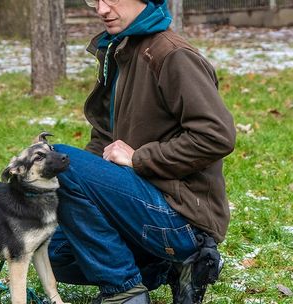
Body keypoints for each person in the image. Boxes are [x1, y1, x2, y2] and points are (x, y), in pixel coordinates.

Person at [47, 0, 236, 303]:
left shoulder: (173, 55)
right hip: (140, 206)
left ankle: (125, 291)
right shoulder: (123, 50)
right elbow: (104, 140)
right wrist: (70, 189)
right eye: (95, 0)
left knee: (57, 161)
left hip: (182, 215)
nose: (102, 9)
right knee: (51, 249)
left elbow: (216, 136)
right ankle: (167, 266)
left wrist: (139, 158)